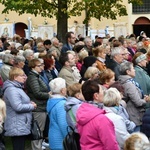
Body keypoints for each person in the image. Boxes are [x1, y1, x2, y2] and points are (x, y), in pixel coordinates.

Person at [76, 80, 119, 150]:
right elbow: (111, 145)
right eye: (102, 91)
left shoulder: (81, 113)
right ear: (96, 96)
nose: (104, 93)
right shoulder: (101, 119)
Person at [2, 67, 37, 150]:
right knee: (18, 146)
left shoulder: (17, 88)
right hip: (16, 124)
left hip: (20, 122)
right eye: (22, 75)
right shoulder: (12, 90)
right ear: (15, 77)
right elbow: (17, 107)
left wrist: (29, 103)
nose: (25, 77)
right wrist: (32, 106)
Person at [26, 59, 50, 150]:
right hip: (38, 107)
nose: (42, 67)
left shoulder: (37, 76)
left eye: (42, 65)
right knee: (38, 130)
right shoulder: (33, 77)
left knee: (40, 130)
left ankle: (38, 147)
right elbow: (37, 93)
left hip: (41, 106)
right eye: (40, 65)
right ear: (33, 67)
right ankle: (36, 148)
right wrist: (49, 95)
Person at [118, 61, 150, 132]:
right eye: (133, 68)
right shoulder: (129, 84)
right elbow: (138, 102)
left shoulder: (125, 81)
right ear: (128, 71)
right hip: (135, 116)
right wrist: (146, 100)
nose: (134, 70)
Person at [47, 77, 68, 150]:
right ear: (62, 90)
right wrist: (70, 139)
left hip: (54, 137)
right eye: (65, 87)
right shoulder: (61, 104)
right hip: (60, 141)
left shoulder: (52, 100)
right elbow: (63, 125)